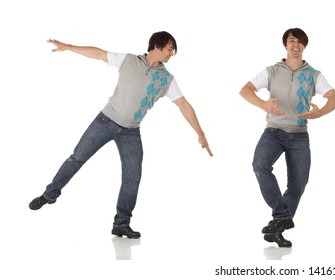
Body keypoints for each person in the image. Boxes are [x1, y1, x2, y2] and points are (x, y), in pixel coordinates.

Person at [29, 31, 213, 239]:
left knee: (132, 178)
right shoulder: (129, 61)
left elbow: (183, 105)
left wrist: (201, 133)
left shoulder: (166, 79)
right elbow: (99, 54)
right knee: (77, 158)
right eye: (170, 49)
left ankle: (121, 224)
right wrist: (69, 46)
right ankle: (49, 194)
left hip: (131, 132)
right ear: (157, 46)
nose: (172, 54)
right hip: (105, 121)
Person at [240, 28, 335, 248]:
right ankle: (281, 216)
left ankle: (277, 228)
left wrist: (321, 112)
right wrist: (263, 104)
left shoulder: (313, 74)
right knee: (260, 165)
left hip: (299, 136)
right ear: (285, 44)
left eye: (300, 42)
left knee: (299, 183)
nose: (295, 45)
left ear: (304, 46)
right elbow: (245, 90)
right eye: (291, 41)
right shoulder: (272, 71)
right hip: (273, 132)